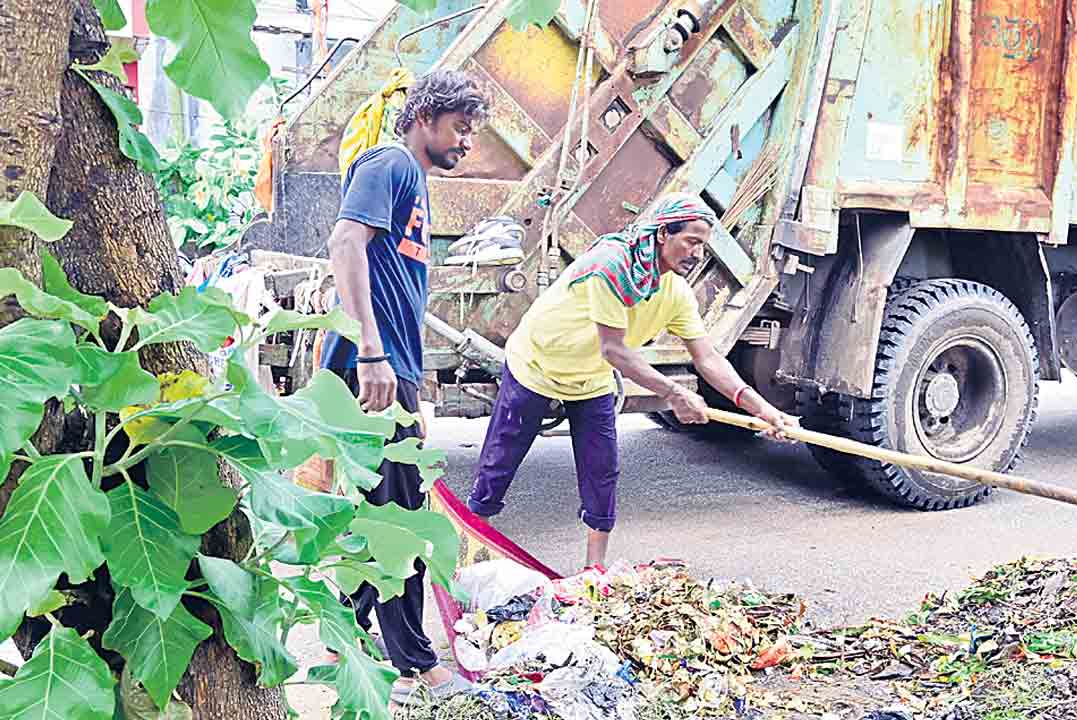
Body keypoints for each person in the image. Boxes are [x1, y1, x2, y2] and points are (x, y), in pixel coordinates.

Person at [468, 193, 797, 569]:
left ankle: (594, 571)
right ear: (663, 234)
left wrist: (764, 410)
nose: (696, 254)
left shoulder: (675, 293)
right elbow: (614, 350)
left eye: (703, 246)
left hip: (591, 379)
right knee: (500, 461)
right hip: (536, 365)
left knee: (602, 470)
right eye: (691, 241)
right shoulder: (611, 267)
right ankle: (471, 548)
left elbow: (707, 358)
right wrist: (674, 393)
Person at [319, 69, 488, 708]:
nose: (467, 143)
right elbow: (344, 242)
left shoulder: (411, 181)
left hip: (393, 367)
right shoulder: (388, 164)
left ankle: (341, 632)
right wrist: (371, 352)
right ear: (424, 118)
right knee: (404, 518)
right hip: (373, 364)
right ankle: (416, 662)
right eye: (460, 128)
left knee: (384, 509)